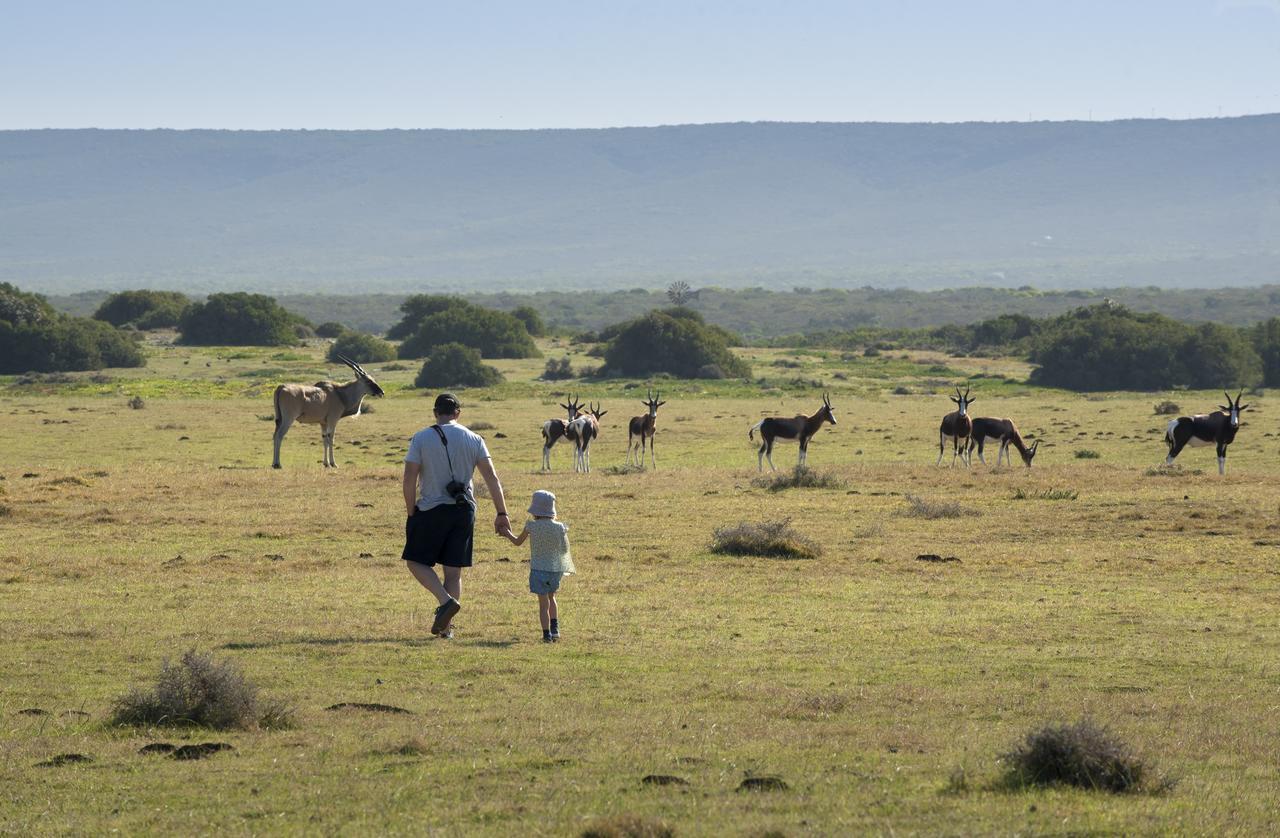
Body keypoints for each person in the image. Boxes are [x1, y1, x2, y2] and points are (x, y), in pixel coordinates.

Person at [403, 392, 512, 637]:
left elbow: (409, 477)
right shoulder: (475, 438)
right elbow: (492, 478)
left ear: (435, 413)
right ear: (458, 413)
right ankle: (447, 630)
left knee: (415, 561)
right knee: (453, 572)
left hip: (431, 509)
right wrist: (501, 512)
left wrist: (411, 510)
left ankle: (445, 602)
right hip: (464, 511)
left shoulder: (421, 438)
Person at [504, 490, 575, 643]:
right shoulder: (560, 527)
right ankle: (555, 630)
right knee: (552, 598)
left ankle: (546, 634)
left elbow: (517, 542)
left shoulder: (531, 526)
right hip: (555, 570)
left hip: (538, 570)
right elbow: (564, 550)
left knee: (543, 605)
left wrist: (507, 533)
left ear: (535, 509)